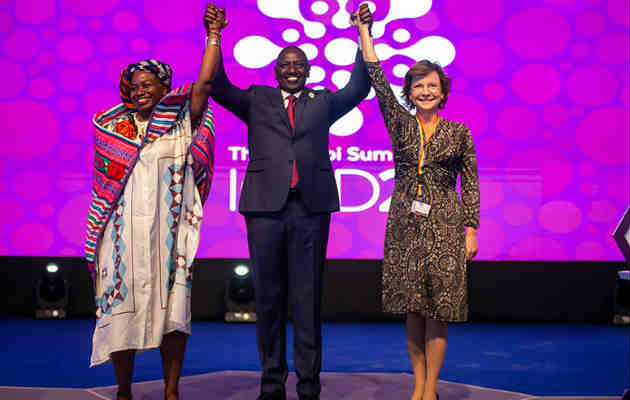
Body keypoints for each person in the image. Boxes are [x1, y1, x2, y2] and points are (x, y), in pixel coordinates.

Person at [206, 5, 372, 400]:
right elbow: (217, 85)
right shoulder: (257, 100)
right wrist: (215, 35)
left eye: (299, 64)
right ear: (276, 70)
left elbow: (358, 88)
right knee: (268, 297)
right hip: (265, 209)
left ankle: (310, 385)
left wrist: (362, 33)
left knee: (307, 298)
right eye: (286, 64)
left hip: (310, 209)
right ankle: (271, 383)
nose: (293, 69)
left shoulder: (323, 102)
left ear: (309, 71)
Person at [84, 5, 227, 400]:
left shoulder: (181, 121)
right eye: (135, 86)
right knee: (121, 315)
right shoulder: (112, 128)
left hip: (169, 235)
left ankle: (171, 391)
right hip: (123, 237)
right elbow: (104, 189)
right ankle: (125, 390)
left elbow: (204, 82)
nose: (141, 90)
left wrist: (213, 34)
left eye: (149, 84)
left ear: (165, 88)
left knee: (173, 316)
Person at [352, 4, 480, 400]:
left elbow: (471, 183)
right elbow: (376, 78)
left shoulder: (460, 132)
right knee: (412, 306)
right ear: (409, 93)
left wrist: (470, 231)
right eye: (418, 86)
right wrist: (364, 32)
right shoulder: (400, 123)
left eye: (432, 86)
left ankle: (430, 388)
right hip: (405, 221)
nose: (425, 92)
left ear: (443, 93)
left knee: (439, 309)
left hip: (445, 222)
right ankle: (417, 385)